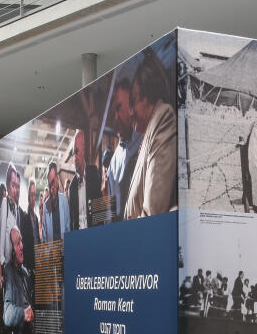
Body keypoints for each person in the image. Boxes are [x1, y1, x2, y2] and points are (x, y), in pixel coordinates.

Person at [124, 50, 178, 220]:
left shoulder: (163, 117)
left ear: (148, 96)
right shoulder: (148, 135)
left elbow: (152, 213)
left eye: (134, 100)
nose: (130, 112)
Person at [105, 78, 142, 221]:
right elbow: (111, 215)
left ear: (131, 106)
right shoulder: (113, 164)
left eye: (119, 108)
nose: (115, 117)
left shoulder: (146, 137)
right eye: (113, 112)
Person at [2, 227, 34, 334]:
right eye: (18, 243)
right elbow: (7, 314)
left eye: (22, 242)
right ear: (11, 250)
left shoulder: (25, 272)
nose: (22, 246)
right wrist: (23, 313)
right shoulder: (8, 272)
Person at [68, 128, 103, 230]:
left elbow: (100, 212)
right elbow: (73, 221)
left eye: (77, 151)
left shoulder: (94, 174)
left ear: (84, 150)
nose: (75, 157)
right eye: (73, 153)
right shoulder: (72, 186)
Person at [40, 163, 71, 241]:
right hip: (51, 251)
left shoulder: (64, 201)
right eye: (50, 184)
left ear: (57, 178)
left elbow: (68, 228)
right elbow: (44, 235)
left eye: (53, 182)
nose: (52, 188)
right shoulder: (45, 206)